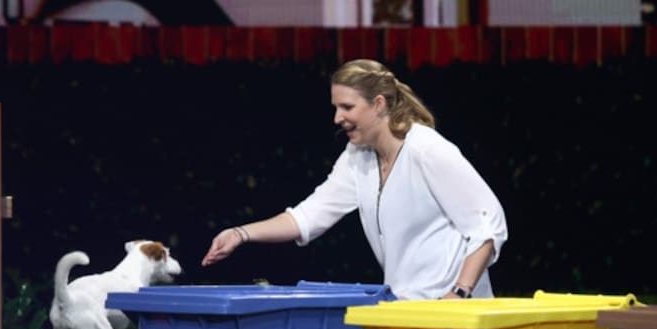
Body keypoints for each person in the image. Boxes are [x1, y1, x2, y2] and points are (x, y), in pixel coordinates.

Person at [201, 59, 507, 300]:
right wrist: (241, 234)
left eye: (347, 107)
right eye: (336, 107)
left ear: (378, 104)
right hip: (405, 312)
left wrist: (460, 293)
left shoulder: (427, 148)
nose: (337, 118)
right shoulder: (357, 156)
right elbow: (309, 217)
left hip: (457, 314)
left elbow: (487, 225)